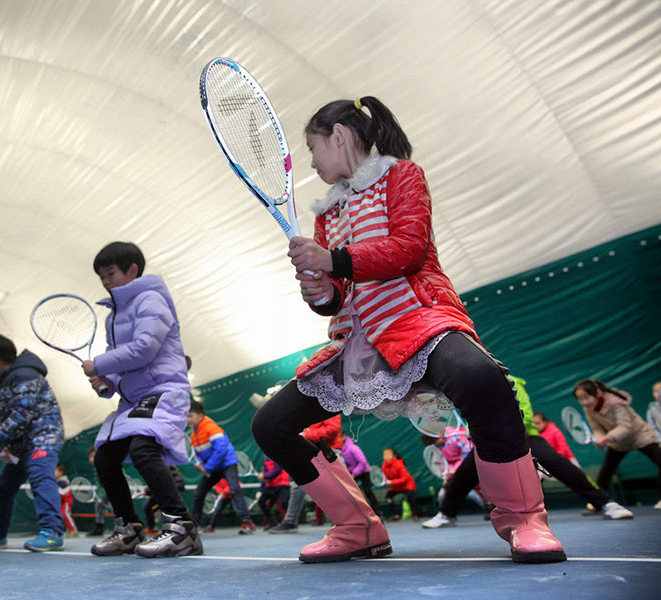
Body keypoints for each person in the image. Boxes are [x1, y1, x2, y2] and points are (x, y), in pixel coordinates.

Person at [251, 96, 565, 563]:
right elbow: (337, 296)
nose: (311, 161)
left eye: (313, 147)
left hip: (419, 319)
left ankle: (523, 519)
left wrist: (333, 261)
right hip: (357, 343)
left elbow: (409, 249)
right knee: (269, 425)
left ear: (339, 136)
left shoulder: (402, 176)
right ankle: (357, 526)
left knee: (482, 380)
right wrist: (320, 289)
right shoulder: (326, 214)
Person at [82, 241, 202, 558]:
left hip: (164, 390)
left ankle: (182, 528)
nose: (106, 282)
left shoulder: (152, 299)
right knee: (106, 455)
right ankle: (129, 529)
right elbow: (122, 363)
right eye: (101, 277)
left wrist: (100, 365)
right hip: (134, 400)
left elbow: (145, 348)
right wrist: (108, 383)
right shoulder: (112, 317)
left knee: (143, 448)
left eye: (110, 274)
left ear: (132, 270)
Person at [424, 376, 632, 528]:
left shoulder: (513, 383)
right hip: (488, 440)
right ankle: (446, 514)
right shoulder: (471, 388)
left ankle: (606, 503)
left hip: (525, 435)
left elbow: (523, 414)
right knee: (463, 476)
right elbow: (471, 417)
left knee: (559, 464)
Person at [0, 334, 65, 552]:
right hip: (22, 446)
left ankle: (52, 532)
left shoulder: (24, 374)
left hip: (44, 440)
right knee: (4, 486)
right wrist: (6, 447)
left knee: (40, 476)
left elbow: (22, 414)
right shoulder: (9, 380)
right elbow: (10, 417)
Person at [573, 379, 661, 511]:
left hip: (640, 436)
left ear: (598, 393)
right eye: (580, 399)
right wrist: (599, 439)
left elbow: (626, 427)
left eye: (586, 397)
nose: (584, 402)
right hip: (618, 443)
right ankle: (597, 503)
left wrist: (606, 438)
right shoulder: (588, 409)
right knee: (606, 471)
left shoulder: (616, 404)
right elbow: (597, 428)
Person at [187, 401, 255, 535]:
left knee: (235, 490)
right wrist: (201, 464)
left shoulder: (212, 428)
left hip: (227, 464)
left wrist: (207, 467)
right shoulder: (193, 436)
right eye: (186, 416)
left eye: (190, 416)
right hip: (213, 468)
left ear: (200, 416)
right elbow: (199, 454)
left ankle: (246, 522)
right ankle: (195, 525)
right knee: (199, 493)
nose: (188, 419)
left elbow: (221, 450)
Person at [269, 414, 343, 534]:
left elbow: (332, 430)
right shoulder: (311, 408)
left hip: (329, 451)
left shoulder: (330, 406)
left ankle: (350, 520)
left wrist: (305, 435)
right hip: (312, 451)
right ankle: (290, 522)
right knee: (298, 485)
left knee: (340, 487)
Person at [338, 431, 381, 517]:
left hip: (364, 471)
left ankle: (378, 513)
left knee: (368, 491)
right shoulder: (338, 450)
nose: (336, 439)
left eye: (338, 437)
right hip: (351, 473)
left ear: (344, 437)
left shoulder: (353, 448)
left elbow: (363, 462)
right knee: (348, 493)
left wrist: (353, 474)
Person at [143, 465, 186, 536]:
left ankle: (180, 530)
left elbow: (179, 485)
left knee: (167, 511)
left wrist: (148, 491)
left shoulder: (168, 470)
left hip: (167, 499)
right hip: (159, 498)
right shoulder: (158, 469)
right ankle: (152, 528)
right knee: (148, 508)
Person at [381, 448, 419, 522]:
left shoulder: (399, 464)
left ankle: (415, 515)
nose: (386, 456)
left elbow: (405, 478)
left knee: (410, 497)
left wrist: (392, 482)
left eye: (388, 454)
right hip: (395, 487)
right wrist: (389, 483)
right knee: (388, 497)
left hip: (407, 484)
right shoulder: (384, 466)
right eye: (384, 455)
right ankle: (395, 515)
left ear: (394, 456)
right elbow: (386, 479)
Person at [257, 456, 290, 529]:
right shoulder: (265, 456)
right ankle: (272, 522)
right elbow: (265, 469)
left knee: (284, 504)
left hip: (282, 484)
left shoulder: (277, 452)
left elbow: (277, 470)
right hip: (271, 485)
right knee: (261, 502)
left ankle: (291, 522)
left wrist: (264, 475)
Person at [84, 446, 110, 537]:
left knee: (119, 510)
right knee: (98, 505)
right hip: (105, 492)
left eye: (94, 456)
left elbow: (108, 483)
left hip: (115, 493)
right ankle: (99, 529)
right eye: (91, 457)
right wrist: (100, 496)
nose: (92, 459)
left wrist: (103, 497)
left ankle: (128, 528)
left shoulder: (106, 466)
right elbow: (100, 485)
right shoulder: (97, 468)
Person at [55, 464, 78, 537]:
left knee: (65, 514)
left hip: (66, 501)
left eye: (54, 471)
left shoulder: (63, 481)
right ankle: (56, 531)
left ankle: (73, 530)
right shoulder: (55, 481)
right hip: (59, 502)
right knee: (57, 515)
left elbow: (63, 493)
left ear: (60, 472)